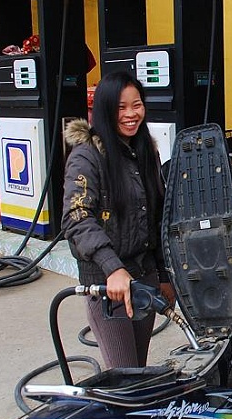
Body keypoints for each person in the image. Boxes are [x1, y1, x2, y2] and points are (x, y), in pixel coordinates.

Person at [62, 71, 175, 369]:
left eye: (136, 105)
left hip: (144, 277)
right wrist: (113, 270)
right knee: (124, 378)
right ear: (104, 110)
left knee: (138, 370)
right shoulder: (86, 156)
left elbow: (157, 218)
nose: (130, 114)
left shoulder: (144, 151)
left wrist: (163, 276)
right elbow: (77, 218)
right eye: (121, 107)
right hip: (106, 284)